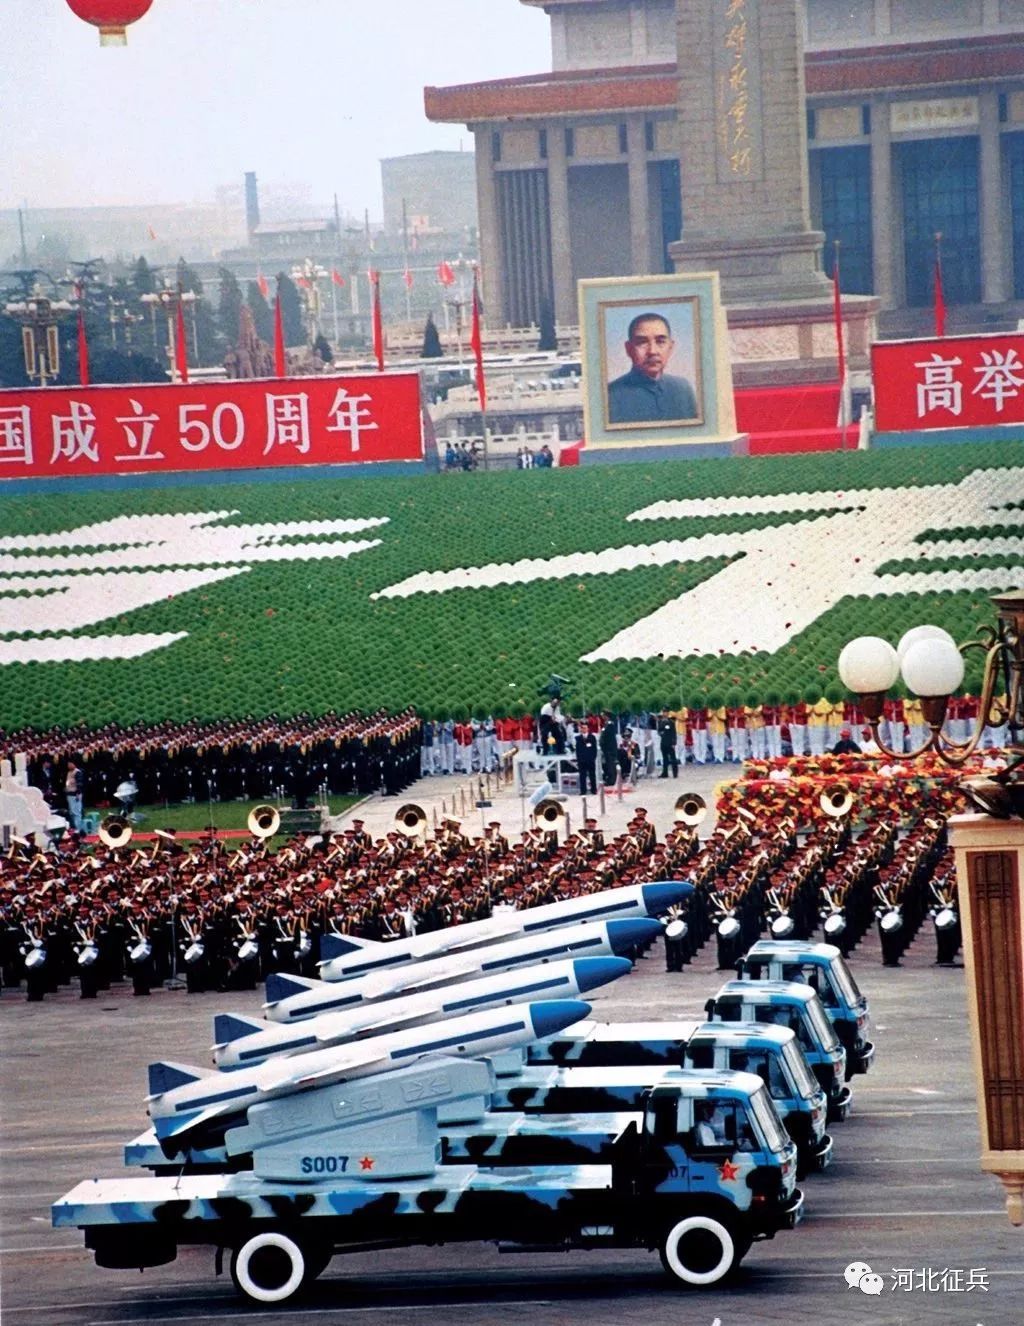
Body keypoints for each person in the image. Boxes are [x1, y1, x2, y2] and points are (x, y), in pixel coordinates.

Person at [606, 312, 698, 425]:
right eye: (642, 342)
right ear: (629, 349)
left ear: (670, 347)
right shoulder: (610, 395)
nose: (652, 351)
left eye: (660, 341)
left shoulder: (683, 389)